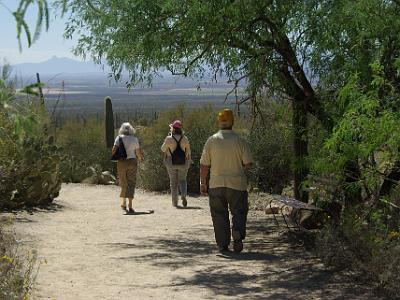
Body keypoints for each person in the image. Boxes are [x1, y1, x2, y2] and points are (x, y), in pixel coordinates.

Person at [199, 109, 253, 253]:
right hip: (237, 184)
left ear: (219, 122)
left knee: (218, 214)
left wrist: (203, 182)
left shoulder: (211, 140)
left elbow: (204, 164)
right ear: (232, 122)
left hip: (216, 183)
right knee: (239, 211)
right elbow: (248, 163)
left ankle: (223, 244)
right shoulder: (240, 141)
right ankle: (237, 235)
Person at [112, 122, 143, 213]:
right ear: (131, 130)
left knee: (123, 182)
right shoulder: (134, 139)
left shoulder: (119, 138)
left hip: (121, 162)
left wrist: (116, 155)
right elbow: (138, 152)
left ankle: (124, 202)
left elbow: (113, 150)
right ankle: (130, 205)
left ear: (121, 129)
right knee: (131, 182)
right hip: (132, 161)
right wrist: (140, 159)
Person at [161, 120, 192, 208]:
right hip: (183, 162)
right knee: (183, 180)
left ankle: (175, 203)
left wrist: (169, 135)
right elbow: (188, 151)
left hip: (171, 162)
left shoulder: (169, 138)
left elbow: (163, 149)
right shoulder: (185, 138)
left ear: (173, 129)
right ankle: (183, 195)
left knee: (173, 182)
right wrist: (189, 160)